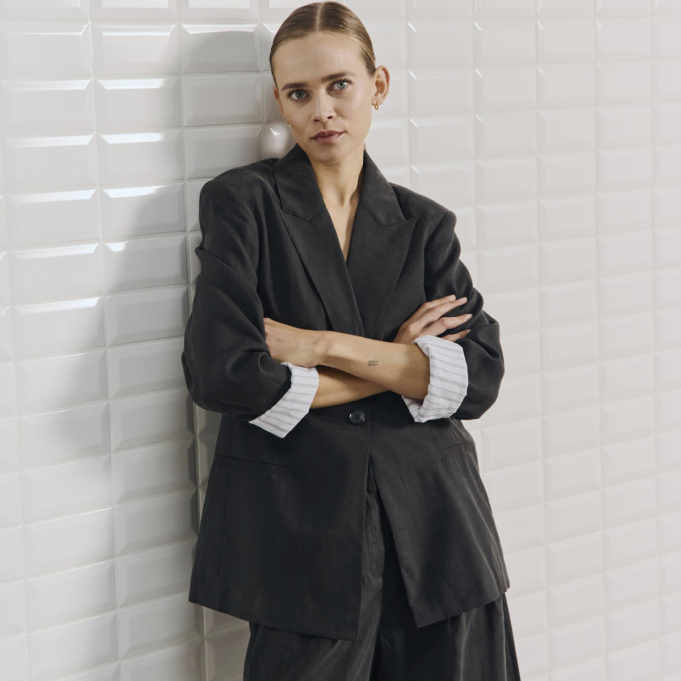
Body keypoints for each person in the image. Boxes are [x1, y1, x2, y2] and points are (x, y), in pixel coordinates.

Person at [181, 2, 522, 679]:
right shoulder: (243, 204)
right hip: (301, 535)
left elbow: (478, 378)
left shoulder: (425, 225)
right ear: (279, 100)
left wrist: (321, 346)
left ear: (377, 85)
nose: (322, 111)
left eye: (339, 85)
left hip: (439, 531)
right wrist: (400, 363)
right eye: (298, 93)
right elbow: (222, 374)